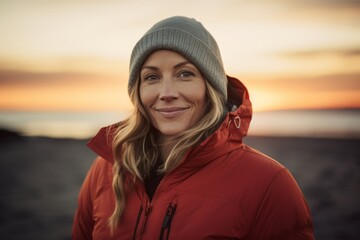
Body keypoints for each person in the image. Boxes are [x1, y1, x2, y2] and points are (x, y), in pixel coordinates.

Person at [72, 16, 314, 239]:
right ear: (138, 91)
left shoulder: (270, 184)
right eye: (152, 77)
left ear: (211, 88)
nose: (167, 93)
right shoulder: (107, 167)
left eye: (185, 74)